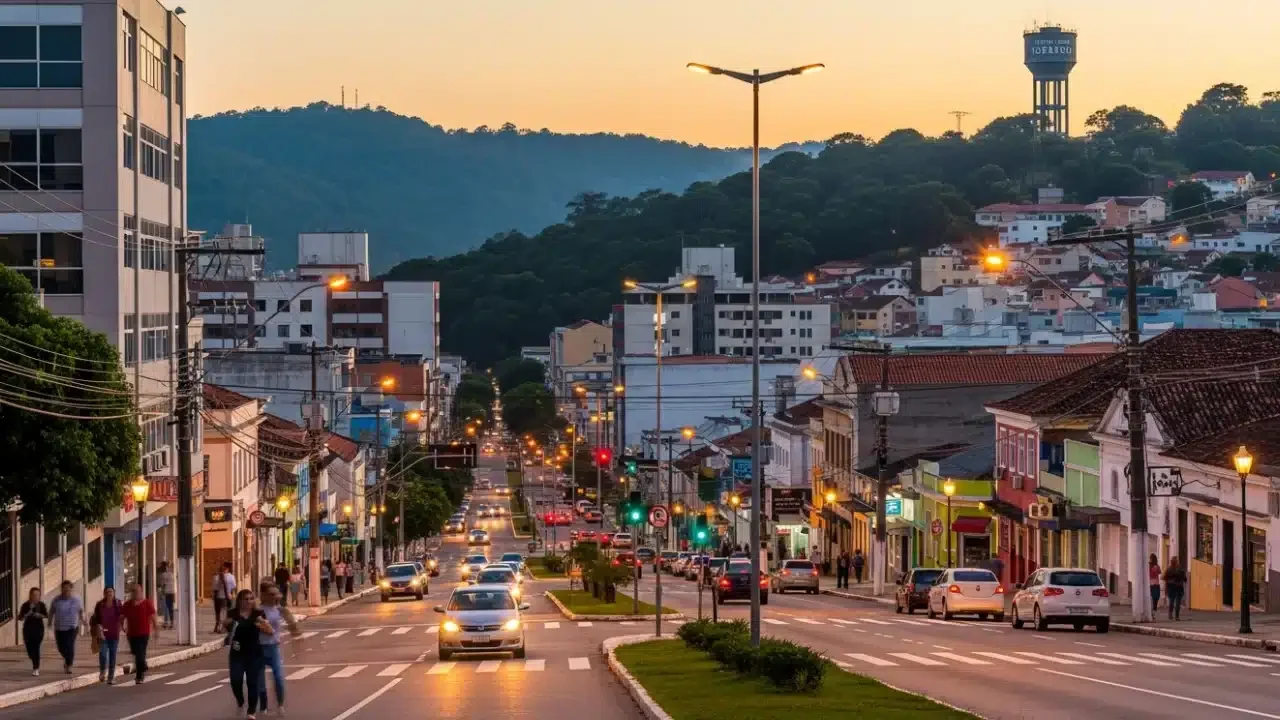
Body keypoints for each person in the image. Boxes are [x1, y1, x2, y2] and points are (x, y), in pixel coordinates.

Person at [225, 589, 271, 719]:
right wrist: (226, 624)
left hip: (254, 653)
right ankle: (240, 701)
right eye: (246, 599)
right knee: (235, 680)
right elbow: (226, 628)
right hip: (237, 652)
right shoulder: (233, 613)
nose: (249, 601)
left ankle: (251, 711)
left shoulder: (258, 613)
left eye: (251, 599)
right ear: (239, 600)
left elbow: (268, 630)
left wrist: (263, 625)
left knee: (252, 682)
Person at [257, 583, 300, 714]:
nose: (275, 597)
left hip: (273, 648)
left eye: (276, 594)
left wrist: (295, 632)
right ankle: (263, 706)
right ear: (263, 595)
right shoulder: (257, 610)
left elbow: (292, 625)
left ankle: (280, 704)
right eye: (271, 594)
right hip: (258, 649)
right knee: (260, 682)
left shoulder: (280, 610)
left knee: (279, 677)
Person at [121, 583, 157, 684]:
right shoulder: (127, 604)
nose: (135, 593)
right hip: (131, 634)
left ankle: (139, 676)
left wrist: (156, 629)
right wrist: (122, 626)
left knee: (140, 654)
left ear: (141, 592)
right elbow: (122, 616)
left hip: (143, 634)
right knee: (135, 652)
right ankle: (143, 665)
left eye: (137, 591)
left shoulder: (147, 603)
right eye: (133, 591)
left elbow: (153, 617)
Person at [48, 580, 84, 674]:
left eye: (68, 589)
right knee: (61, 648)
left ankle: (69, 665)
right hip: (59, 628)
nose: (66, 591)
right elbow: (51, 612)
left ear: (71, 589)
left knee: (70, 646)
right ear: (61, 589)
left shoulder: (76, 600)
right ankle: (67, 659)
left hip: (72, 627)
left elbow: (81, 611)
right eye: (64, 589)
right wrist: (49, 622)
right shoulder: (56, 600)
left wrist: (83, 620)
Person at [90, 587, 124, 684]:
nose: (109, 593)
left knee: (113, 655)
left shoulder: (118, 604)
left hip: (114, 634)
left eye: (111, 592)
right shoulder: (100, 604)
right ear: (104, 594)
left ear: (114, 593)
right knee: (103, 654)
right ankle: (102, 671)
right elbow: (96, 619)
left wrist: (123, 626)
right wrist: (98, 630)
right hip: (103, 633)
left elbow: (122, 616)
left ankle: (111, 677)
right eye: (107, 592)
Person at [17, 588, 47, 676]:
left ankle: (36, 668)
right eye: (34, 595)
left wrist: (39, 615)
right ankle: (33, 658)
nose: (36, 597)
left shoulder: (41, 605)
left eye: (38, 595)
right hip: (28, 630)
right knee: (30, 649)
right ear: (30, 595)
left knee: (36, 647)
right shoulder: (25, 605)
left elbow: (46, 615)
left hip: (39, 630)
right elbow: (20, 618)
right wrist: (27, 614)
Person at [212, 563, 237, 633]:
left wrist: (214, 597)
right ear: (228, 569)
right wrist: (231, 595)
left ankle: (218, 627)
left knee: (218, 613)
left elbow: (215, 589)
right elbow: (234, 587)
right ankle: (225, 627)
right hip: (229, 597)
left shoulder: (216, 577)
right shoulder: (231, 576)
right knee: (227, 613)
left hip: (219, 597)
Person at [1164, 556, 1187, 621]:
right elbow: (1185, 579)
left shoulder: (1168, 569)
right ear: (1177, 562)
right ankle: (1177, 616)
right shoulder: (1181, 570)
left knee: (1171, 601)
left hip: (1171, 587)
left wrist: (1166, 587)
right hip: (1179, 587)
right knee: (1178, 602)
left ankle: (1170, 614)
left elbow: (1165, 578)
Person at [157, 561, 176, 629]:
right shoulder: (172, 574)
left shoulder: (163, 575)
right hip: (172, 592)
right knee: (171, 608)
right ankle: (172, 623)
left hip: (166, 593)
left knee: (166, 608)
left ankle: (166, 623)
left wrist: (161, 591)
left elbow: (163, 585)